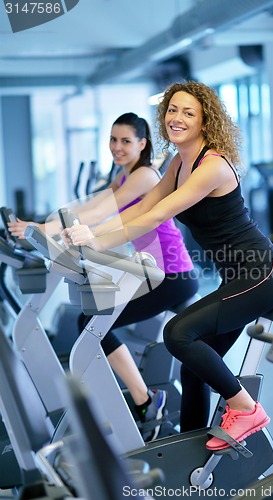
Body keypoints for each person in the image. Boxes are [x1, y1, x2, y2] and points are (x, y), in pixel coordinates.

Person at [63, 83, 273, 451]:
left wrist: (97, 239)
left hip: (261, 273)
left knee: (178, 335)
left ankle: (246, 408)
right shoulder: (178, 163)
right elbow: (140, 206)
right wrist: (89, 233)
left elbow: (157, 214)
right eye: (172, 110)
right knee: (194, 366)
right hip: (238, 277)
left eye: (188, 113)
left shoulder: (212, 165)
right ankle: (189, 454)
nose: (177, 118)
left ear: (205, 121)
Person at [8, 112, 199, 441]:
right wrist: (41, 227)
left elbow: (99, 214)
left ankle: (147, 403)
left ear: (142, 144)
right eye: (113, 140)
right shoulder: (123, 175)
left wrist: (39, 228)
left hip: (172, 274)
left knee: (93, 324)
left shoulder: (144, 176)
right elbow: (91, 206)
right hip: (151, 271)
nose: (117, 147)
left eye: (126, 141)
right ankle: (144, 401)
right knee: (91, 321)